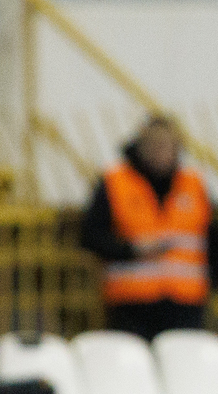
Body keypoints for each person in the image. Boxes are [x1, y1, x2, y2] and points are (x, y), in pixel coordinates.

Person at [80, 115, 210, 340]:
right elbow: (90, 236)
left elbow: (211, 240)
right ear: (140, 146)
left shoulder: (193, 184)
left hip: (185, 303)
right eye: (154, 145)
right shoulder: (115, 181)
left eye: (167, 145)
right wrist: (131, 250)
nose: (160, 152)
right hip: (131, 304)